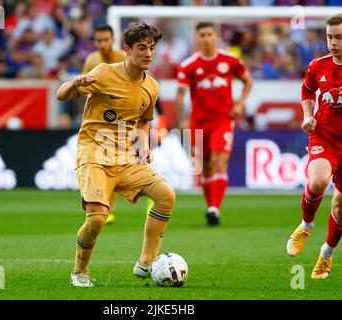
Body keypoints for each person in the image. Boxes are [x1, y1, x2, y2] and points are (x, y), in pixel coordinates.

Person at [56, 22, 176, 287]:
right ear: (127, 49)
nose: (148, 53)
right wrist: (74, 84)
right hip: (93, 153)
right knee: (97, 218)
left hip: (124, 157)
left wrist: (143, 144)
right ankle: (80, 271)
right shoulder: (103, 72)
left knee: (166, 195)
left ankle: (146, 262)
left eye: (152, 48)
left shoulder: (152, 87)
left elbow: (144, 121)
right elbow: (60, 95)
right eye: (142, 47)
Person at [286, 13, 342, 279]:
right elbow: (307, 91)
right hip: (324, 136)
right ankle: (305, 225)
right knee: (318, 181)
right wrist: (308, 116)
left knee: (340, 207)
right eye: (329, 37)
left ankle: (326, 254)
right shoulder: (317, 66)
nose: (333, 43)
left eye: (338, 37)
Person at [175, 22, 253, 226]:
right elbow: (180, 94)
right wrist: (183, 119)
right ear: (197, 38)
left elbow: (248, 81)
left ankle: (215, 208)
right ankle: (211, 207)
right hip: (199, 122)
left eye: (209, 34)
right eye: (202, 35)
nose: (206, 38)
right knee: (206, 166)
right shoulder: (188, 65)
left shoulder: (230, 60)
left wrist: (239, 104)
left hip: (222, 119)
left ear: (215, 36)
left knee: (220, 160)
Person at [81, 24, 127, 225]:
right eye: (99, 40)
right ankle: (96, 202)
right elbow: (83, 89)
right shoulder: (91, 60)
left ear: (113, 40)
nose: (102, 44)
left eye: (106, 40)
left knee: (114, 166)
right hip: (97, 121)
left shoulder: (124, 60)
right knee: (95, 164)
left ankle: (108, 208)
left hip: (120, 121)